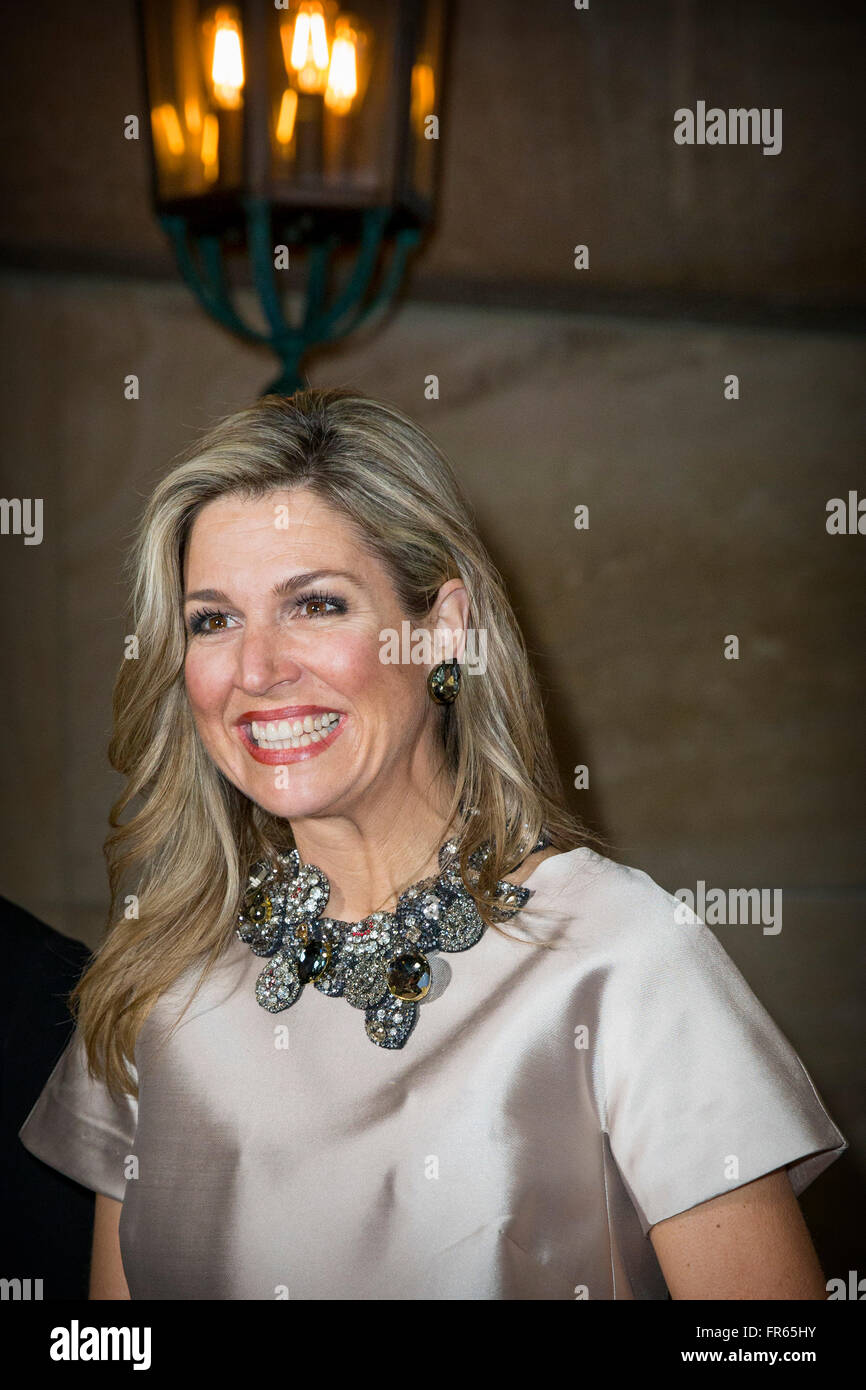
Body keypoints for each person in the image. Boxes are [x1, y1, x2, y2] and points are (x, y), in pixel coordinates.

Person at [18, 388, 846, 1300]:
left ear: (442, 630)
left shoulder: (619, 957)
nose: (256, 669)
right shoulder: (160, 992)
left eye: (315, 605)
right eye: (213, 619)